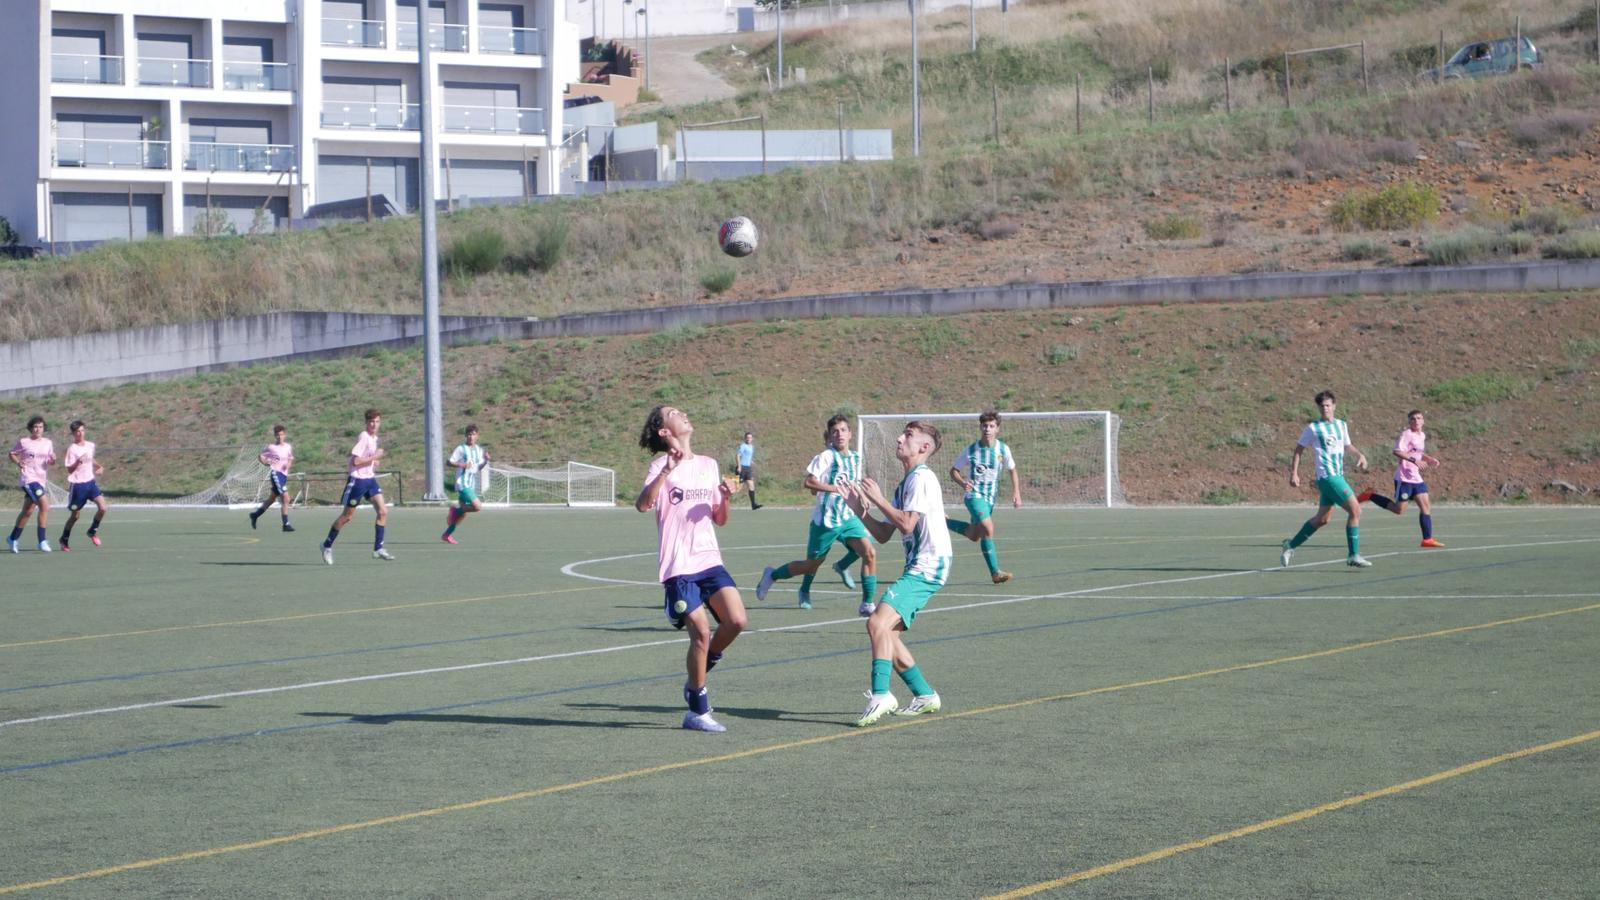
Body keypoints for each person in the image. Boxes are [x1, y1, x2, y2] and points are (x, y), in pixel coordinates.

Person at [637, 406, 748, 734]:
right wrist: (665, 473)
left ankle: (704, 664)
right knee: (700, 632)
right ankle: (697, 710)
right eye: (674, 412)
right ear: (664, 431)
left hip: (709, 560)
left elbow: (720, 519)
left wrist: (725, 498)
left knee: (738, 621)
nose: (684, 413)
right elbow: (643, 505)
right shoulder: (659, 465)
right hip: (679, 565)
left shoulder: (709, 465)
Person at [841, 420, 951, 727]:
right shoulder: (907, 482)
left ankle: (881, 695)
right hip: (921, 565)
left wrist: (877, 499)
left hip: (929, 566)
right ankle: (925, 695)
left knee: (877, 622)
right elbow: (884, 534)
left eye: (909, 435)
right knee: (886, 632)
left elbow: (907, 524)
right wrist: (857, 508)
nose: (900, 438)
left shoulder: (922, 478)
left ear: (924, 447)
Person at [755, 415, 879, 614]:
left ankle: (867, 604)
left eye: (843, 430)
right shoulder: (827, 456)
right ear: (830, 436)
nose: (840, 434)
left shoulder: (856, 458)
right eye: (835, 431)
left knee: (869, 552)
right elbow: (809, 483)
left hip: (848, 517)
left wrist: (863, 496)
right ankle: (773, 575)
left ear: (850, 434)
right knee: (811, 565)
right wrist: (834, 488)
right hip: (826, 521)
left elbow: (852, 482)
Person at [1280, 390, 1372, 568]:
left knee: (1322, 519)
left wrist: (1360, 454)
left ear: (1334, 406)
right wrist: (1294, 473)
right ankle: (1353, 555)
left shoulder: (1341, 425)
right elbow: (1299, 449)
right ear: (1319, 408)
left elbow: (1347, 445)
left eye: (1328, 405)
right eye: (1322, 406)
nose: (1325, 409)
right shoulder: (1313, 428)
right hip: (1328, 477)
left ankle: (1290, 545)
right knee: (1356, 511)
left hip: (1337, 475)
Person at [946, 410, 1022, 584]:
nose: (987, 429)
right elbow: (953, 471)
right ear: (980, 427)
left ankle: (944, 522)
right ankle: (995, 572)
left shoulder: (1003, 449)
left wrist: (1016, 492)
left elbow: (1012, 470)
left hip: (989, 499)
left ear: (997, 429)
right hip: (973, 496)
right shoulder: (971, 450)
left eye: (991, 426)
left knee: (974, 535)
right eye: (985, 425)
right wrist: (963, 483)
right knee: (987, 527)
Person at [1358, 410, 1444, 548]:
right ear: (1409, 421)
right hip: (1404, 478)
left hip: (1416, 478)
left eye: (1418, 418)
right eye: (1412, 419)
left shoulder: (1421, 435)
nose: (1416, 421)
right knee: (1398, 510)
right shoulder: (1406, 434)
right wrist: (1414, 461)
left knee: (1426, 506)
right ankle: (1370, 495)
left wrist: (1429, 459)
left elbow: (1418, 453)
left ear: (1423, 421)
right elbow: (1397, 451)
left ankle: (1427, 539)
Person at [321, 409, 393, 564]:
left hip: (370, 480)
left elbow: (368, 459)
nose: (374, 424)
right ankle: (326, 545)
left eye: (377, 421)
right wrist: (375, 457)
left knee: (383, 511)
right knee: (347, 517)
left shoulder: (374, 439)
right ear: (367, 423)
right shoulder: (364, 436)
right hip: (358, 481)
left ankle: (378, 549)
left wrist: (374, 462)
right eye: (371, 421)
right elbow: (356, 461)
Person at [8, 416, 56, 553]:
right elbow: (12, 454)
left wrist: (52, 460)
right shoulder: (24, 442)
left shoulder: (48, 443)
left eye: (40, 426)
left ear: (43, 428)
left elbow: (50, 460)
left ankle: (12, 538)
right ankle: (42, 541)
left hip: (41, 480)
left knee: (28, 511)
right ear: (31, 428)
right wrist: (18, 462)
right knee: (45, 506)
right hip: (28, 479)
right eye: (35, 426)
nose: (38, 429)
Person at [58, 420, 108, 551]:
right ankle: (64, 539)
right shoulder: (72, 449)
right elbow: (69, 469)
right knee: (75, 516)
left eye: (82, 430)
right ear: (73, 433)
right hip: (78, 486)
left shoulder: (90, 445)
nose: (80, 433)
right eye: (77, 431)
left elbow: (90, 459)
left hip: (90, 483)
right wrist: (77, 462)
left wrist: (99, 466)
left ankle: (92, 531)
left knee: (103, 508)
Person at [442, 424, 491, 544]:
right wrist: (461, 465)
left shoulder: (479, 450)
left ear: (477, 436)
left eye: (473, 434)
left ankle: (447, 534)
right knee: (478, 507)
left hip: (471, 484)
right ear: (465, 436)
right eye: (469, 434)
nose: (471, 436)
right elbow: (449, 462)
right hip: (462, 484)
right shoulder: (461, 449)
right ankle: (455, 511)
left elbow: (478, 468)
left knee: (463, 514)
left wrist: (486, 460)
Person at [249, 424, 296, 532]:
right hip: (276, 474)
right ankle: (286, 524)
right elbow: (261, 456)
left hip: (283, 475)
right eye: (278, 435)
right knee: (286, 498)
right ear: (275, 436)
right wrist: (265, 462)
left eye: (282, 435)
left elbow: (290, 458)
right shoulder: (271, 447)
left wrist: (288, 465)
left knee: (271, 499)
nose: (280, 437)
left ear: (285, 435)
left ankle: (255, 515)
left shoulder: (288, 446)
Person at [735, 431, 762, 510]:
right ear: (745, 438)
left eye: (750, 438)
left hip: (748, 468)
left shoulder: (751, 447)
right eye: (747, 438)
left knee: (751, 485)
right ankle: (723, 496)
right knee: (738, 488)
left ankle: (753, 505)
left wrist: (751, 461)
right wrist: (739, 467)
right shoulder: (743, 446)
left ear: (752, 439)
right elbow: (737, 456)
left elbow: (748, 456)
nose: (749, 439)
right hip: (742, 468)